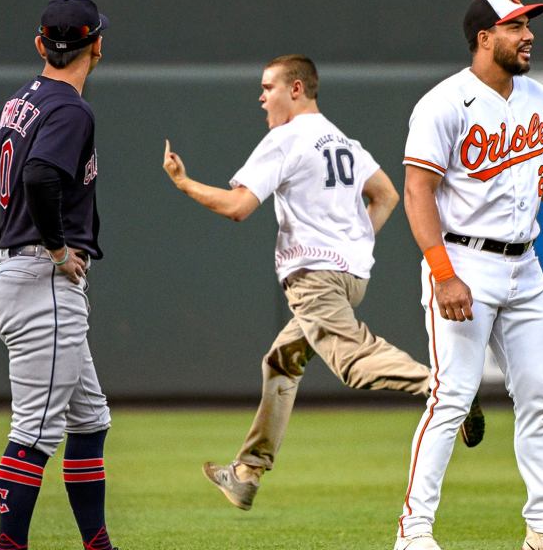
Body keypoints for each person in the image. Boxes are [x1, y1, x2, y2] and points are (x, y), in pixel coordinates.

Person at [159, 55, 485, 512]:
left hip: (314, 279)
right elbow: (386, 194)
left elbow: (237, 206)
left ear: (296, 89)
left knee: (352, 360)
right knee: (281, 362)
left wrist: (184, 183)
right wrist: (355, 241)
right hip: (350, 276)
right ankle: (247, 472)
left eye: (268, 86)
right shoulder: (343, 140)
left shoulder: (286, 139)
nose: (261, 96)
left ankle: (447, 389)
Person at [393, 0, 543, 550]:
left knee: (538, 394)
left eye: (528, 25)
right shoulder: (443, 103)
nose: (528, 35)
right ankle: (414, 532)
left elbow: (540, 172)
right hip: (463, 261)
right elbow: (417, 191)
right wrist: (442, 272)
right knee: (451, 394)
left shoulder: (539, 99)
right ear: (484, 38)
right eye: (515, 26)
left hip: (525, 264)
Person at [0, 0, 119, 550]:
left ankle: (97, 544)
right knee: (33, 434)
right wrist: (53, 248)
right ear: (96, 46)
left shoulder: (22, 101)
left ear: (41, 45)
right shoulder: (70, 107)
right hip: (43, 283)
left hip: (18, 274)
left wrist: (14, 238)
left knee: (89, 420)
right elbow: (37, 177)